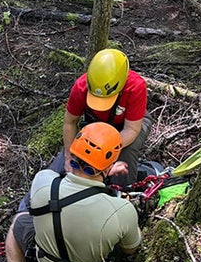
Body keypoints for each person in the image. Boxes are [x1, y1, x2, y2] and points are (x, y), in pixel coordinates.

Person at [4, 123, 143, 262]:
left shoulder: (43, 182)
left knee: (20, 220)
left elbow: (65, 179)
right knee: (120, 238)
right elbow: (131, 249)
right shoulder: (123, 210)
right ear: (109, 167)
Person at [58, 49, 150, 188]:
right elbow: (70, 122)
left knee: (125, 153)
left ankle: (124, 192)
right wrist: (69, 156)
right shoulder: (81, 86)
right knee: (77, 153)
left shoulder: (135, 86)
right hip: (96, 122)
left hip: (130, 123)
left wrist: (102, 150)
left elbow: (131, 129)